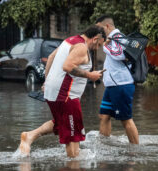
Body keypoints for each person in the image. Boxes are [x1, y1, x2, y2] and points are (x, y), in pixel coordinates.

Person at [18, 25, 106, 158]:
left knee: (60, 122)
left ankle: (29, 136)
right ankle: (73, 169)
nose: (98, 48)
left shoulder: (70, 40)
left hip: (54, 93)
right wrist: (90, 75)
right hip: (66, 96)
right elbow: (67, 67)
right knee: (73, 136)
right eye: (99, 44)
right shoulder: (82, 48)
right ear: (95, 39)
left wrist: (47, 82)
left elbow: (51, 57)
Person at [95, 15, 139, 144]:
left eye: (100, 28)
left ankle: (135, 151)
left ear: (107, 26)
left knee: (126, 119)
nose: (99, 32)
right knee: (104, 116)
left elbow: (120, 55)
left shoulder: (119, 37)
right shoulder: (111, 38)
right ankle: (104, 145)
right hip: (112, 86)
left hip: (121, 85)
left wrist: (105, 47)